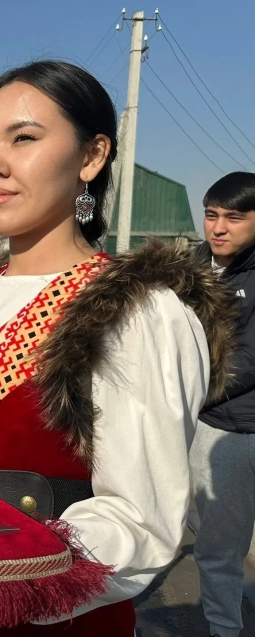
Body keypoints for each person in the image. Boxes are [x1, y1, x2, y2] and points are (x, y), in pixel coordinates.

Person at [0, 60, 237, 636]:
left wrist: (1, 576)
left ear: (92, 156)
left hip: (49, 615)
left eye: (24, 138)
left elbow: (139, 518)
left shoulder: (136, 313)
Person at [191, 171, 255, 637]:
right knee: (216, 547)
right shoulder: (187, 269)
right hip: (212, 430)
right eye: (211, 215)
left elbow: (249, 360)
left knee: (221, 549)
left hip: (231, 422)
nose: (218, 228)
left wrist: (185, 391)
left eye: (234, 218)